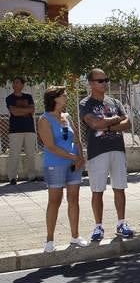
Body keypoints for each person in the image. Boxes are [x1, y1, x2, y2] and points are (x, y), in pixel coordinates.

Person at [79, 68, 135, 241]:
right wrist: (114, 120)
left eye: (106, 80)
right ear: (91, 83)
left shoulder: (115, 102)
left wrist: (108, 126)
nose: (105, 83)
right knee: (98, 191)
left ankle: (121, 222)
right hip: (98, 152)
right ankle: (98, 226)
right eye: (100, 81)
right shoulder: (85, 103)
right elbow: (94, 123)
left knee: (120, 188)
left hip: (117, 149)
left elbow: (128, 122)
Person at [38, 86, 88, 252]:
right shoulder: (44, 119)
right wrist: (73, 157)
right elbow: (51, 146)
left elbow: (77, 139)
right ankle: (49, 240)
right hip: (55, 164)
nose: (67, 97)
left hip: (74, 163)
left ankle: (75, 236)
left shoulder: (67, 116)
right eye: (64, 95)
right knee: (55, 200)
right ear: (55, 98)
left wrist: (81, 157)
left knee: (74, 199)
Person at [5, 76, 38, 184]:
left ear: (22, 85)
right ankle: (12, 177)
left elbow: (32, 110)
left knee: (31, 153)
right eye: (14, 83)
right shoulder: (9, 98)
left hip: (29, 129)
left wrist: (20, 110)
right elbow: (14, 112)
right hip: (15, 130)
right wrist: (26, 110)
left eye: (17, 83)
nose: (14, 85)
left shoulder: (28, 97)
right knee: (14, 154)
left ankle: (32, 176)